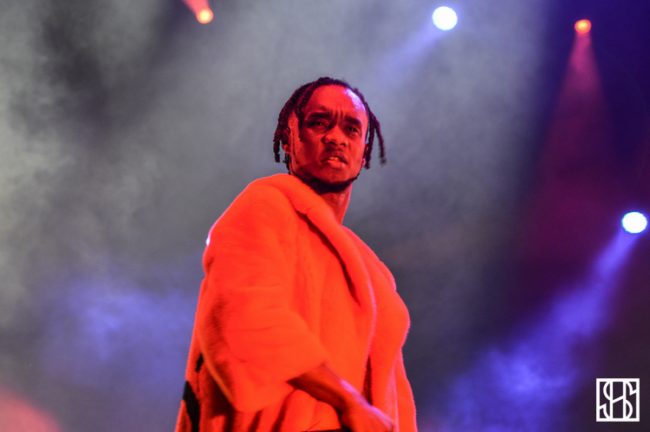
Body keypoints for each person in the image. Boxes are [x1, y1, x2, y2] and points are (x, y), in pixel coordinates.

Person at [176, 77, 417, 431]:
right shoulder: (264, 205)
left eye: (351, 129)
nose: (336, 137)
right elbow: (247, 318)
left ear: (364, 150)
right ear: (289, 137)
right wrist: (347, 400)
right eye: (319, 123)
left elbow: (394, 389)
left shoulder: (372, 270)